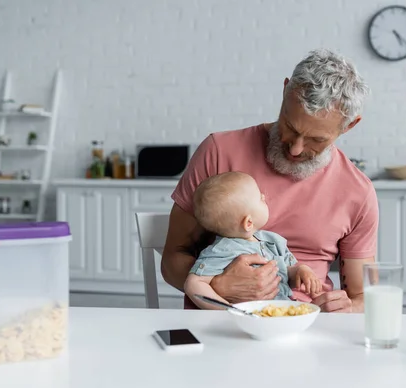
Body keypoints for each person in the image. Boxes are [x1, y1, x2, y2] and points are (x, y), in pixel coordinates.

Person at [162, 48, 378, 313]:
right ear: (285, 91)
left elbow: (363, 297)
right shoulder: (218, 151)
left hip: (308, 326)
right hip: (221, 326)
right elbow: (172, 259)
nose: (296, 149)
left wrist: (348, 308)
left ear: (349, 126)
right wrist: (218, 285)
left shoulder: (358, 191)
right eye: (290, 125)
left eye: (316, 140)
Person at [185, 171, 322, 310]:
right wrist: (227, 310)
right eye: (260, 198)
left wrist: (301, 271)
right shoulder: (222, 249)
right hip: (248, 319)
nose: (264, 196)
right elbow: (194, 284)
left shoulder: (273, 241)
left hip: (281, 313)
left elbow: (286, 275)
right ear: (248, 222)